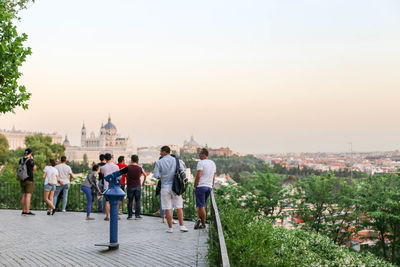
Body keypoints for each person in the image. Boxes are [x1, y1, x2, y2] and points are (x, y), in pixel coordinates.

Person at [153, 146, 188, 233]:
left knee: (167, 208)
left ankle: (170, 228)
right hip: (175, 187)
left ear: (164, 152)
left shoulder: (159, 162)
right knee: (179, 207)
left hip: (165, 187)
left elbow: (156, 175)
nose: (160, 153)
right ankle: (182, 226)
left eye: (161, 152)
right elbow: (182, 170)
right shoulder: (176, 160)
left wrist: (162, 176)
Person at [194, 148, 216, 229]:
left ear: (203, 154)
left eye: (200, 154)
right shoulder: (212, 163)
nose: (199, 155)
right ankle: (199, 220)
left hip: (201, 186)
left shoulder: (201, 163)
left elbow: (198, 175)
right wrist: (211, 185)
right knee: (201, 205)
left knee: (201, 206)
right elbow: (214, 175)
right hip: (209, 187)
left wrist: (195, 185)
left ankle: (203, 225)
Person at [126, 155, 147, 220]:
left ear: (131, 160)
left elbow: (125, 175)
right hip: (138, 186)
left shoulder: (128, 167)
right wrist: (143, 182)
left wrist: (127, 180)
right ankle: (137, 215)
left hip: (130, 186)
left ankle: (130, 215)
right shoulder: (139, 168)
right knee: (138, 201)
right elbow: (145, 175)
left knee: (130, 201)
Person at [100, 153, 119, 221]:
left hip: (106, 186)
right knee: (115, 201)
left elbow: (102, 174)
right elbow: (118, 175)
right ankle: (116, 215)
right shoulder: (116, 167)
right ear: (111, 158)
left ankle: (107, 216)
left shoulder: (103, 167)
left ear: (104, 159)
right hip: (114, 186)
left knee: (107, 201)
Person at [19, 148, 37, 215]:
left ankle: (23, 210)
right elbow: (34, 168)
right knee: (28, 196)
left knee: (23, 195)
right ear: (31, 153)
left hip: (22, 179)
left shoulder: (21, 160)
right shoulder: (30, 160)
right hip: (29, 180)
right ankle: (27, 211)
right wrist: (33, 160)